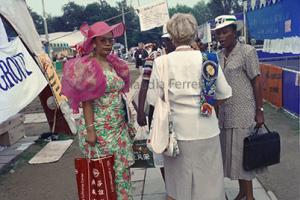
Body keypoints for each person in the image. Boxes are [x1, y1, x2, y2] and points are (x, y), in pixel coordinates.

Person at [147, 13, 232, 200]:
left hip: (177, 134)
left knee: (180, 187)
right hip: (207, 130)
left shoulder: (162, 62)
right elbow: (225, 93)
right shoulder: (209, 59)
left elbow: (154, 100)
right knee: (209, 185)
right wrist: (206, 103)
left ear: (171, 36)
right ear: (194, 33)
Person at [61, 21, 135, 200]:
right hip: (100, 130)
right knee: (105, 174)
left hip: (118, 127)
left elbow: (121, 92)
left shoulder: (112, 63)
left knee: (122, 171)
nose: (108, 44)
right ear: (93, 42)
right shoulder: (88, 65)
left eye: (110, 40)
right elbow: (87, 102)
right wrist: (91, 131)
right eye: (103, 41)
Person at [213, 15, 265, 200]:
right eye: (218, 33)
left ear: (234, 32)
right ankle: (243, 192)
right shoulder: (218, 56)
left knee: (244, 159)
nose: (220, 36)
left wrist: (260, 111)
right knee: (234, 158)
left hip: (244, 112)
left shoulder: (247, 51)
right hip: (225, 115)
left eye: (225, 32)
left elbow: (257, 82)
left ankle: (250, 197)